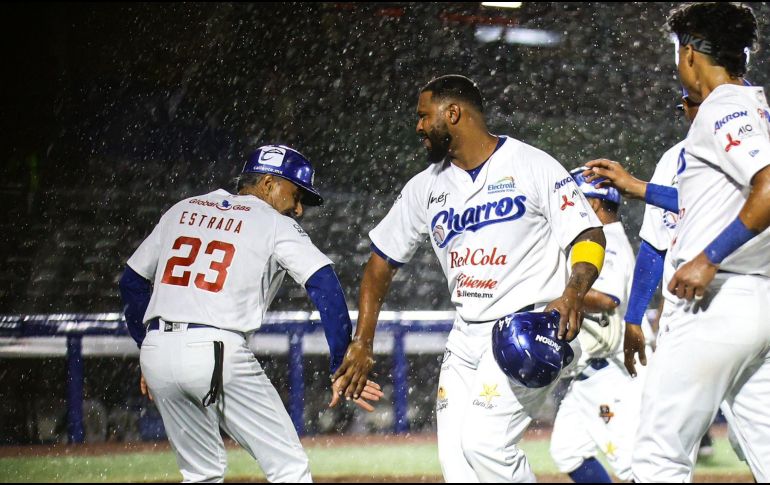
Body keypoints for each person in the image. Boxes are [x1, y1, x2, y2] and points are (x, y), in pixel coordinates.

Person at [332, 74, 606, 482]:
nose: (419, 126)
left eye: (425, 116)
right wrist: (363, 341)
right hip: (465, 339)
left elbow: (588, 233)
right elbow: (379, 264)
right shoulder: (425, 188)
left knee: (486, 445)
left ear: (453, 113)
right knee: (458, 466)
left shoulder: (531, 164)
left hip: (526, 327)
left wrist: (573, 291)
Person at [118, 145, 383, 483]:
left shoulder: (183, 209)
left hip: (158, 352)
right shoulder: (273, 222)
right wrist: (339, 363)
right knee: (288, 467)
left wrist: (147, 344)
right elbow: (324, 284)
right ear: (269, 183)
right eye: (296, 194)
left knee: (201, 473)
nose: (299, 209)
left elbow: (132, 282)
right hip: (215, 349)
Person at [627, 3, 769, 481]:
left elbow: (769, 187)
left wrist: (709, 258)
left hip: (718, 301)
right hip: (758, 298)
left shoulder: (723, 105)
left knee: (657, 457)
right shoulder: (757, 106)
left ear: (689, 54)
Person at [549, 169, 638, 483]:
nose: (570, 205)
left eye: (578, 198)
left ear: (597, 205)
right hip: (589, 375)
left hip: (609, 374)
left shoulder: (608, 240)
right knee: (568, 451)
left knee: (634, 466)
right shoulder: (598, 238)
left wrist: (556, 292)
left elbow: (607, 299)